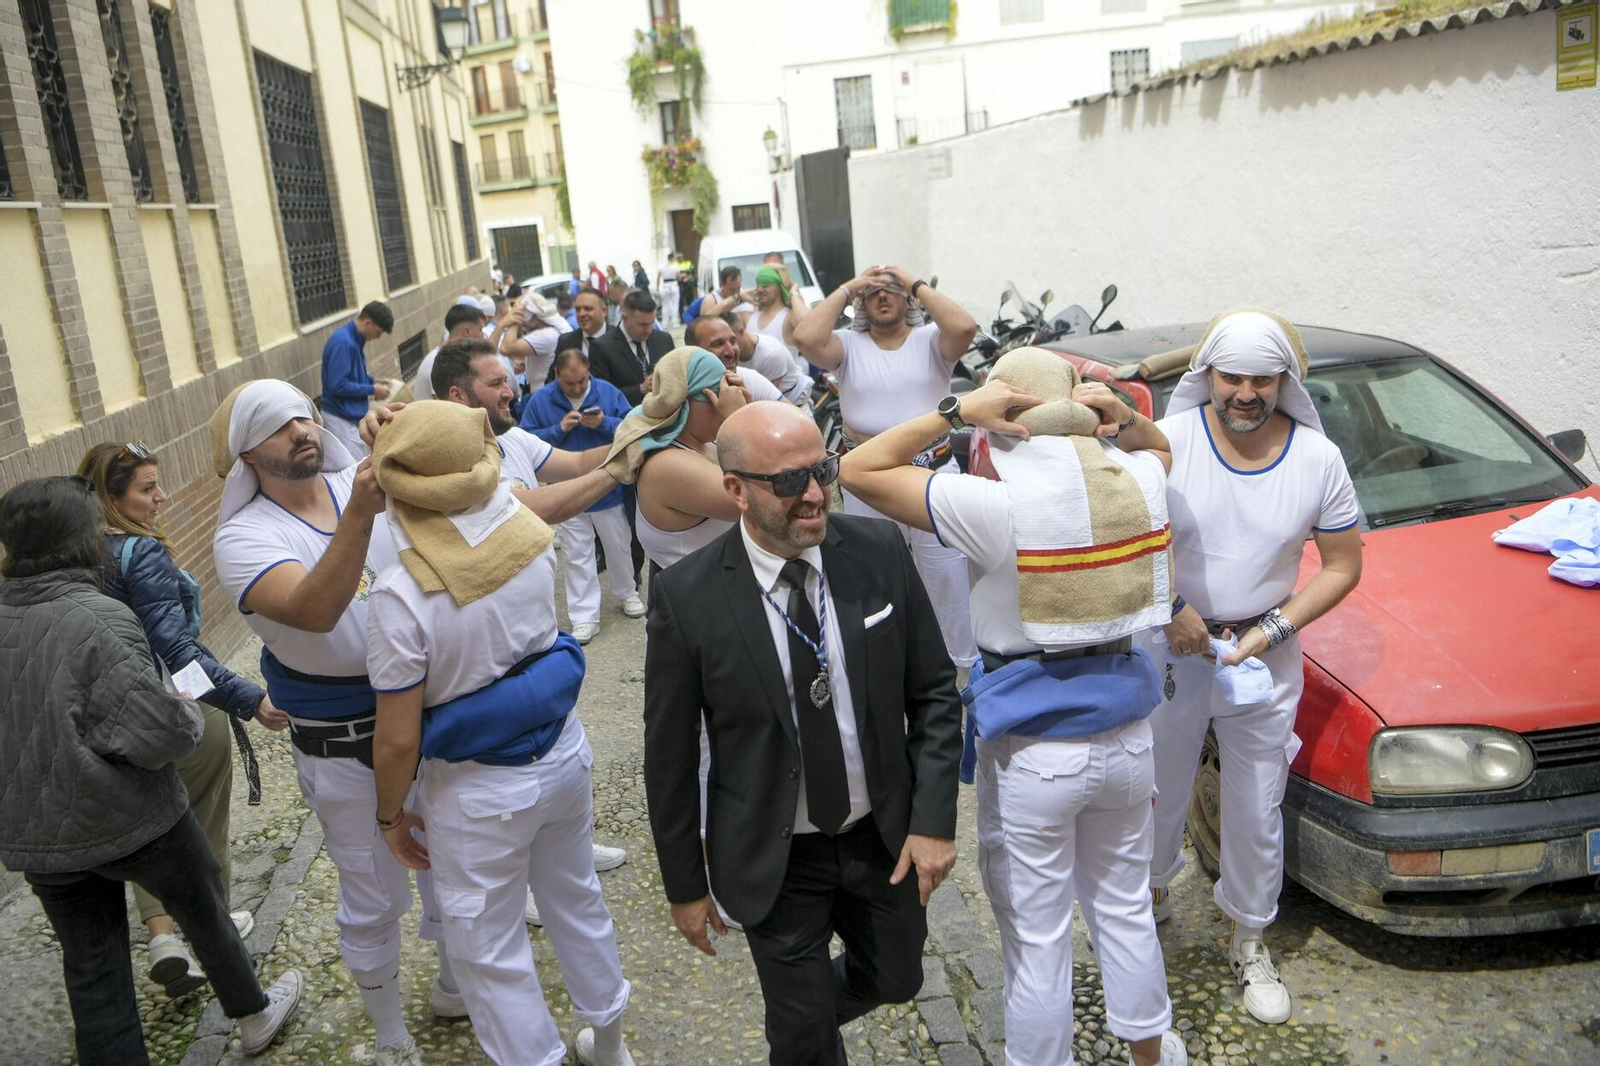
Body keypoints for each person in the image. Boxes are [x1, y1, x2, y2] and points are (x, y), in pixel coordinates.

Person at [838, 355, 1189, 1066]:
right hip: (1126, 735)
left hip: (1034, 749)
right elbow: (1160, 449)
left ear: (1007, 417)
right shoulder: (1138, 483)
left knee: (1037, 939)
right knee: (1122, 909)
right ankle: (1152, 1057)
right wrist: (1119, 415)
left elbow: (860, 469)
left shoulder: (993, 505)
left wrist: (956, 412)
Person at [643, 400, 962, 1066]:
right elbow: (668, 757)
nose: (815, 493)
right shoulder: (688, 598)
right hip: (775, 853)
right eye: (788, 481)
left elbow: (932, 692)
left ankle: (807, 1018)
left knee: (897, 978)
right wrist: (685, 887)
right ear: (735, 489)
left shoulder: (876, 552)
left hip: (881, 839)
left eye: (822, 470)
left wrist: (933, 820)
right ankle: (803, 1032)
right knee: (804, 1039)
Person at [0, 475, 303, 1065]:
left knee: (91, 967)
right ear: (79, 538)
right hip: (131, 817)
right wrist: (189, 715)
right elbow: (158, 730)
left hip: (38, 835)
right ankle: (255, 1015)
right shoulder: (101, 619)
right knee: (208, 915)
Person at [367, 400, 635, 1066]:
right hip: (562, 752)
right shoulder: (525, 527)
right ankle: (611, 1047)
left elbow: (398, 741)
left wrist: (390, 816)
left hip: (478, 791)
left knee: (489, 949)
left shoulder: (401, 597)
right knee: (576, 899)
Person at [1142, 309, 1363, 1025]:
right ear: (1206, 375)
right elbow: (1127, 536)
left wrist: (1272, 630)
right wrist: (1171, 605)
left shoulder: (1316, 460)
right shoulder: (1170, 442)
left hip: (1265, 654)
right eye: (1230, 376)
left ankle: (1248, 936)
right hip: (1171, 645)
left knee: (1256, 802)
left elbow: (1342, 566)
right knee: (1154, 787)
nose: (1244, 392)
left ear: (1284, 382)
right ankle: (1143, 906)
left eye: (1261, 379)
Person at [210, 380, 439, 1066]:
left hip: (432, 721)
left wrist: (407, 431)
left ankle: (458, 986)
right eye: (277, 428)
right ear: (247, 453)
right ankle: (393, 1040)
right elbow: (314, 610)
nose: (300, 432)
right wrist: (363, 513)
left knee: (458, 871)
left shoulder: (355, 480)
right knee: (372, 897)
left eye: (303, 418)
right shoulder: (241, 538)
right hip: (344, 751)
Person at [415, 338, 632, 924]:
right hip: (480, 636)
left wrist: (636, 434)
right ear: (458, 395)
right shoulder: (449, 459)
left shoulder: (510, 436)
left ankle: (570, 849)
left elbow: (578, 463)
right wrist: (621, 468)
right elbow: (536, 506)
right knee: (508, 766)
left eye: (510, 379)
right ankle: (524, 883)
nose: (513, 390)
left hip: (531, 622)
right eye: (497, 384)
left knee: (559, 744)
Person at [77, 442, 286, 996]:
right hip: (168, 705)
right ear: (109, 497)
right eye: (147, 488)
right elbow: (176, 651)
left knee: (151, 822)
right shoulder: (139, 552)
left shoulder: (68, 555)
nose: (162, 497)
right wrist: (244, 699)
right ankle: (212, 925)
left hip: (104, 717)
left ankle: (163, 940)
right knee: (199, 818)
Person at [795, 264, 980, 671]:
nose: (883, 296)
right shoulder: (846, 345)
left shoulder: (931, 341)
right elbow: (806, 337)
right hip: (868, 479)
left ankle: (963, 673)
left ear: (909, 299)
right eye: (874, 292)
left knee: (947, 578)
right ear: (861, 301)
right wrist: (849, 286)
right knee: (875, 575)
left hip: (932, 470)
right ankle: (886, 667)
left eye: (892, 291)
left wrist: (911, 281)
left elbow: (966, 327)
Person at [522, 348, 645, 643]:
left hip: (605, 487)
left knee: (618, 544)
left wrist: (603, 423)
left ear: (589, 373)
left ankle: (627, 592)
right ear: (556, 376)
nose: (577, 388)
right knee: (577, 554)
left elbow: (632, 428)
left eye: (582, 381)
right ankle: (584, 616)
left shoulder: (607, 392)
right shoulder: (540, 400)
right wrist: (559, 429)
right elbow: (526, 439)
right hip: (565, 491)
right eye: (569, 383)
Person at [565, 288, 675, 407]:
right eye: (643, 325)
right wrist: (640, 389)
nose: (649, 330)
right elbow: (601, 394)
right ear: (624, 317)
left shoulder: (664, 340)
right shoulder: (602, 347)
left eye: (652, 323)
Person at [319, 301, 393, 458]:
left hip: (350, 417)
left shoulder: (354, 340)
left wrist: (373, 381)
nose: (378, 337)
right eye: (378, 332)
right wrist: (373, 390)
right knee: (354, 468)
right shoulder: (343, 343)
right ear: (368, 323)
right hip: (341, 418)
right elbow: (337, 385)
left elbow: (352, 375)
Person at [685, 316, 784, 403]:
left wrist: (751, 408)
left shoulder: (751, 379)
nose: (731, 352)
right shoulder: (681, 392)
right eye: (718, 344)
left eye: (733, 342)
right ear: (694, 351)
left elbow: (795, 416)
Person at [731, 312, 811, 406]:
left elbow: (769, 399)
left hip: (794, 398)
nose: (727, 348)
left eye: (732, 340)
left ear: (741, 332)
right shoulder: (730, 352)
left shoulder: (771, 354)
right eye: (720, 343)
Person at [412, 303, 488, 402]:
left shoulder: (458, 356)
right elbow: (445, 407)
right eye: (480, 330)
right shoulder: (436, 361)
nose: (483, 336)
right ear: (467, 332)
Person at [498, 291, 570, 396]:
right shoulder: (557, 328)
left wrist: (514, 320)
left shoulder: (546, 334)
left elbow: (505, 348)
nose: (523, 325)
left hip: (543, 392)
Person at [748, 263, 809, 356]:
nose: (760, 290)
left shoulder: (789, 318)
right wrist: (739, 297)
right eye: (758, 285)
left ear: (780, 287)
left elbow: (809, 326)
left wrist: (794, 294)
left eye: (765, 285)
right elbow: (717, 315)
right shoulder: (750, 316)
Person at [657, 251, 681, 327]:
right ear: (673, 258)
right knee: (675, 304)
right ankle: (675, 322)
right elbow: (679, 277)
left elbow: (658, 278)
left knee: (665, 305)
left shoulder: (661, 266)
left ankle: (665, 323)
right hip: (674, 285)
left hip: (665, 286)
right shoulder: (675, 266)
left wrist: (658, 288)